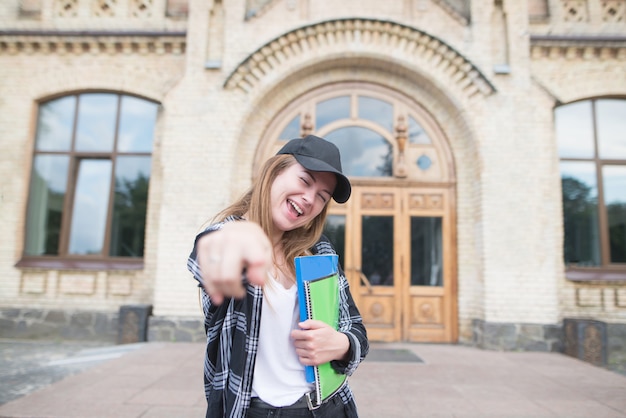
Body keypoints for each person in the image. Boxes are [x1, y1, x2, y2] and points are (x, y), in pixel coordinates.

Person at [187, 135, 369, 418]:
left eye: (322, 196)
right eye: (305, 181)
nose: (309, 199)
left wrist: (342, 345)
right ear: (274, 172)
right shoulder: (226, 237)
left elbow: (356, 328)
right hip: (249, 410)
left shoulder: (317, 252)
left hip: (326, 408)